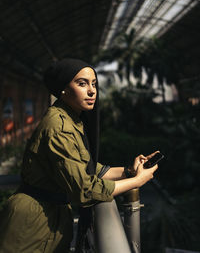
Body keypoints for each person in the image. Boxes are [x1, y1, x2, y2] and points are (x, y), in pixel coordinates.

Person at [0, 58, 158, 253]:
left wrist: (128, 171)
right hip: (32, 223)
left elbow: (85, 166)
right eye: (82, 83)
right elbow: (84, 190)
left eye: (94, 84)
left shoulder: (71, 118)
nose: (92, 91)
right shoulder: (60, 127)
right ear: (63, 89)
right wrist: (137, 182)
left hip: (52, 216)